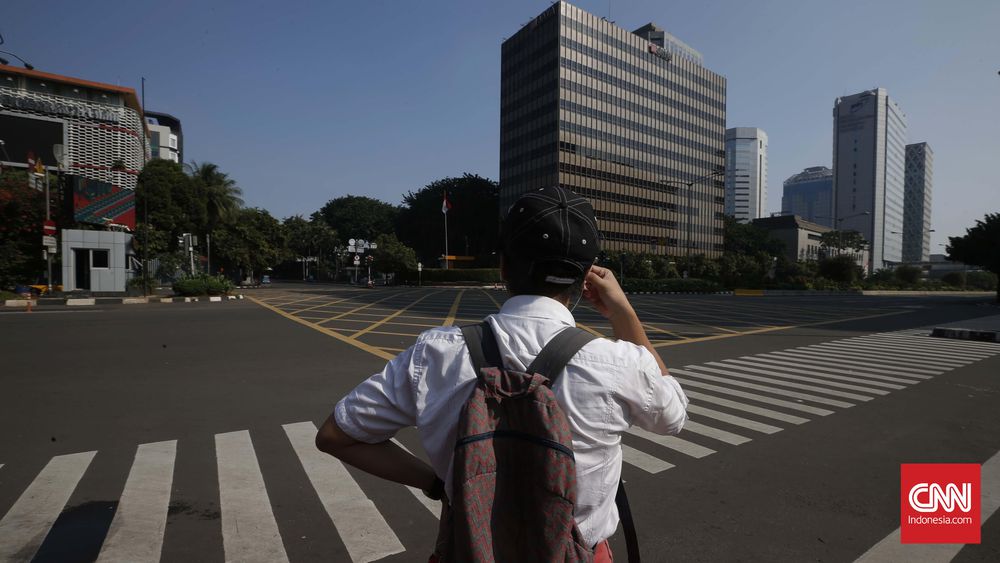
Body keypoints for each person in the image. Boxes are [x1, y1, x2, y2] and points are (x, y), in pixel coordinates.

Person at [316, 186, 689, 561]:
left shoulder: (435, 352)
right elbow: (673, 417)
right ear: (585, 277)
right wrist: (623, 312)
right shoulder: (617, 362)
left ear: (504, 266)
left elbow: (335, 435)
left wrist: (438, 484)